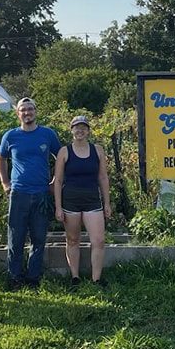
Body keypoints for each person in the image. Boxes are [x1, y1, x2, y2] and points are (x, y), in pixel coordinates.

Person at [0, 97, 62, 289]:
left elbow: (61, 157)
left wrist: (54, 181)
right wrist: (5, 183)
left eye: (30, 109)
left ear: (36, 111)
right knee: (15, 238)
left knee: (39, 238)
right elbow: (1, 159)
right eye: (23, 110)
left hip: (42, 193)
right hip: (18, 193)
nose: (27, 113)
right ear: (18, 113)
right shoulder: (11, 136)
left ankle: (33, 278)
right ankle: (15, 277)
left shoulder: (48, 134)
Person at [53, 115, 112, 287]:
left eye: (83, 127)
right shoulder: (64, 151)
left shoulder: (97, 150)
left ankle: (96, 279)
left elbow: (103, 177)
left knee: (99, 240)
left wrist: (107, 203)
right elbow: (57, 180)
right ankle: (75, 277)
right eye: (76, 127)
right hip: (70, 201)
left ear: (88, 131)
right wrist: (58, 207)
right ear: (71, 130)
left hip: (92, 200)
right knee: (72, 239)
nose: (80, 131)